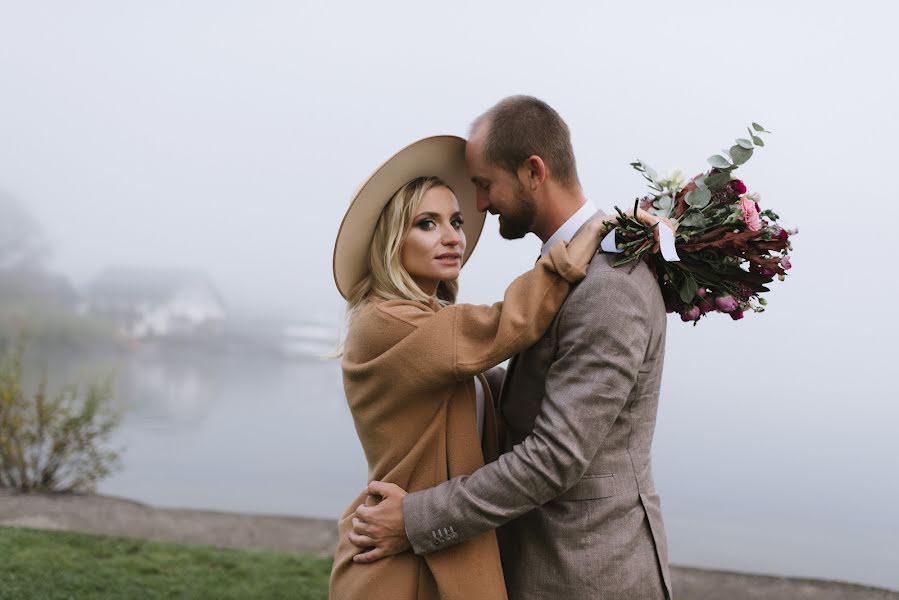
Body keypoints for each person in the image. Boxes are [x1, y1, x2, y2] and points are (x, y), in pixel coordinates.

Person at [349, 97, 673, 600]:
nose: (478, 206)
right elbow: (508, 352)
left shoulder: (610, 284)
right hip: (525, 565)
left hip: (587, 575)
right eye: (429, 223)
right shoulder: (405, 323)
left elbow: (554, 458)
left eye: (482, 185)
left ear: (533, 172)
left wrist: (415, 519)